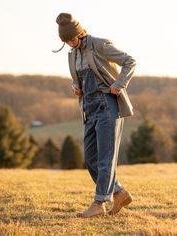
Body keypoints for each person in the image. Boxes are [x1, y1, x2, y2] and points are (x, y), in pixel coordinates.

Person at [54, 13, 136, 218]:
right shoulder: (72, 54)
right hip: (89, 109)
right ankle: (119, 192)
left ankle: (99, 203)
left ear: (80, 33)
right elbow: (77, 77)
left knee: (105, 159)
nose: (70, 44)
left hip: (107, 106)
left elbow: (129, 61)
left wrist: (118, 85)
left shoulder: (100, 45)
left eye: (72, 39)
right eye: (66, 42)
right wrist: (76, 86)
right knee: (90, 158)